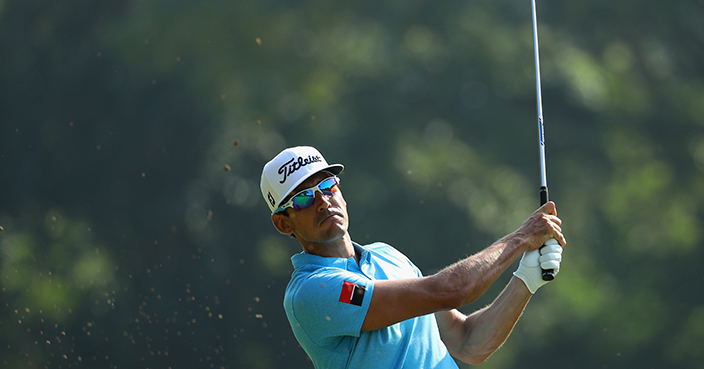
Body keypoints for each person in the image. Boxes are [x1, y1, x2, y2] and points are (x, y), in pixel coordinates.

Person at [260, 146, 565, 369]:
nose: (323, 201)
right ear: (283, 223)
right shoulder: (311, 292)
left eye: (327, 185)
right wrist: (520, 238)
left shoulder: (387, 255)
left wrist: (526, 279)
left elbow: (467, 341)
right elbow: (451, 291)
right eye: (303, 198)